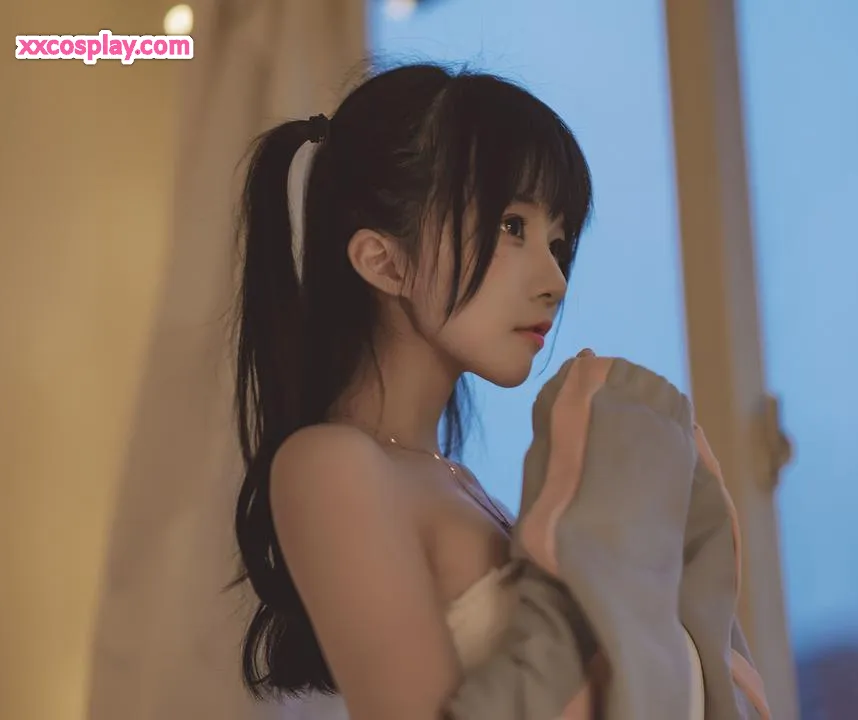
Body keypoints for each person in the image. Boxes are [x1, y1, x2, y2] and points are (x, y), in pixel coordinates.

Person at [229, 62, 596, 718]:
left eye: (559, 241)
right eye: (513, 226)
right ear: (385, 261)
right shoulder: (331, 466)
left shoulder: (453, 479)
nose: (555, 281)